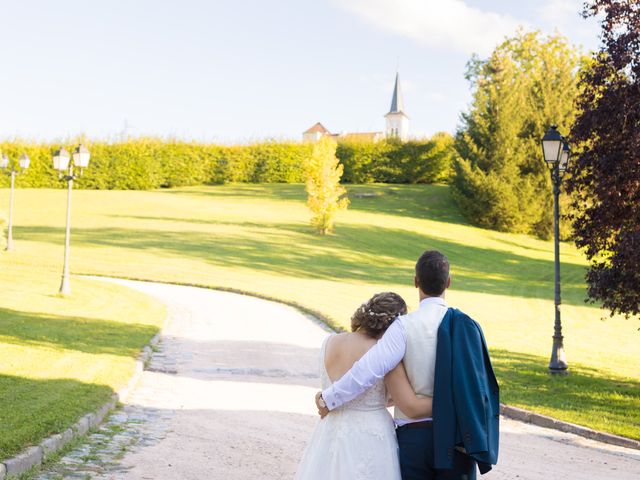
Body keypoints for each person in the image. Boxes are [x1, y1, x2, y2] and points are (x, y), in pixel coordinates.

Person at [316, 250, 499, 479]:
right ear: (448, 282)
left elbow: (368, 369)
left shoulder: (403, 327)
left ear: (416, 282)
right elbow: (481, 387)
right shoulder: (469, 327)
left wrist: (330, 398)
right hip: (458, 437)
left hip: (415, 439)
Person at [295, 292, 433, 479]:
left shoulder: (330, 342)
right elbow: (403, 400)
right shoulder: (383, 353)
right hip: (370, 434)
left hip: (330, 428)